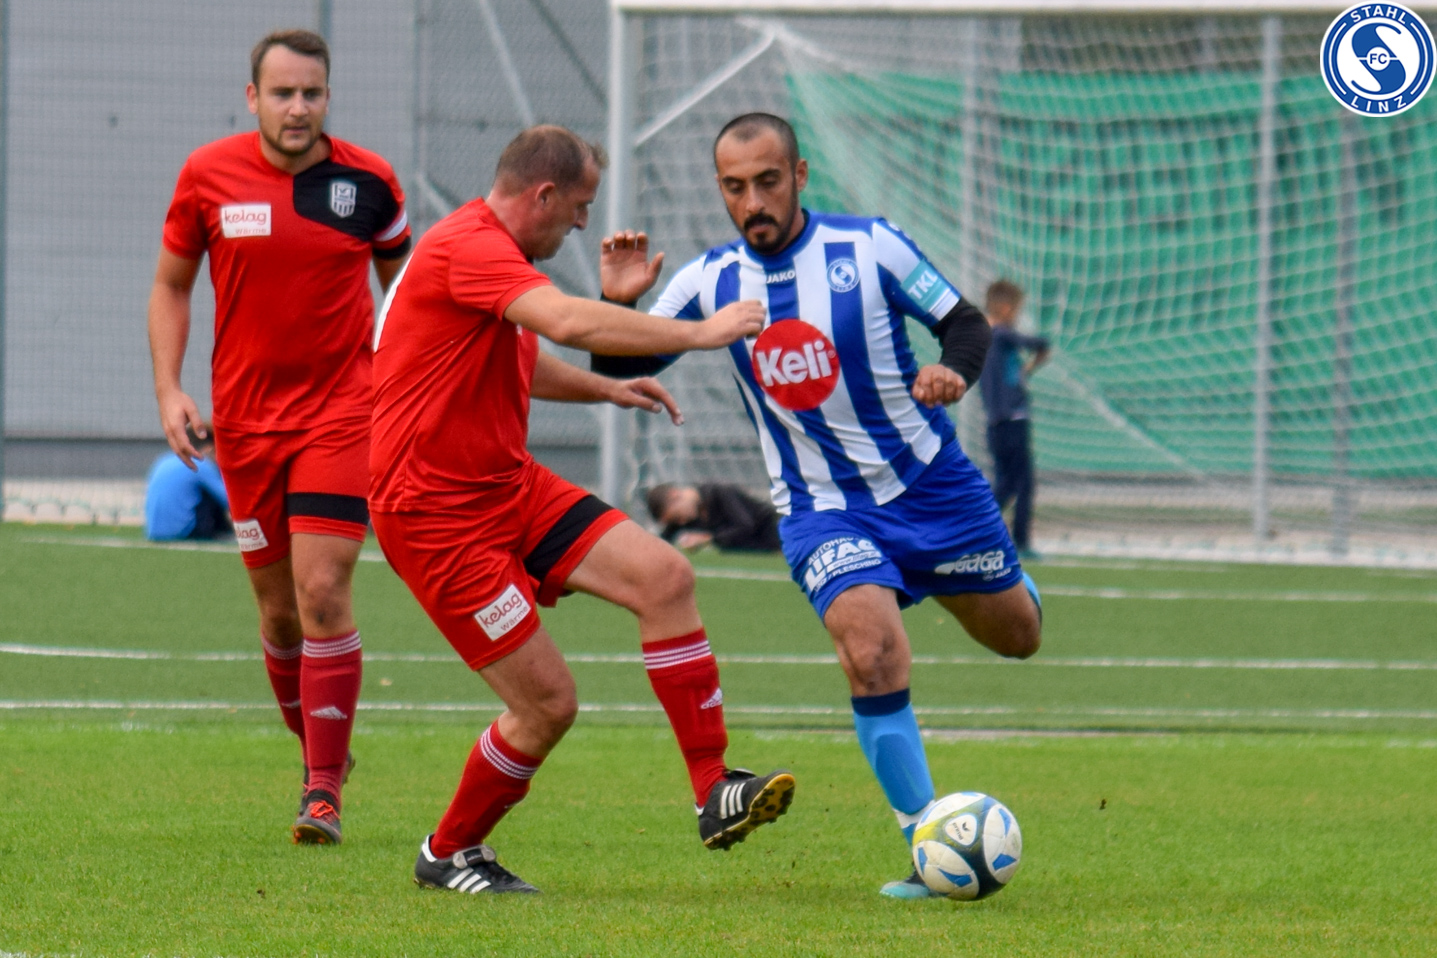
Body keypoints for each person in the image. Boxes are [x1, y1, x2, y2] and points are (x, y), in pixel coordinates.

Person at [592, 113, 1043, 898]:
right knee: (870, 651)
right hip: (820, 509)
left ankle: (980, 579)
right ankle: (924, 845)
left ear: (799, 176)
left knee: (1018, 638)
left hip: (931, 486)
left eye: (767, 182)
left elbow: (964, 324)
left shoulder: (870, 247)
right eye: (735, 187)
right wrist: (617, 306)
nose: (752, 202)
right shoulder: (707, 282)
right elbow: (617, 362)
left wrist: (952, 373)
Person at [369, 125, 794, 895]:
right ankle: (448, 852)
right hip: (434, 516)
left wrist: (607, 387)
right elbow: (565, 320)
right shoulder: (469, 245)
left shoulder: (492, 258)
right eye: (578, 207)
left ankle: (713, 788)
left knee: (664, 577)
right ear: (543, 194)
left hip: (505, 486)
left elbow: (526, 357)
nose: (581, 223)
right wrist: (701, 332)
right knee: (546, 706)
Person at [148, 30, 411, 845]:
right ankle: (321, 754)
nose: (298, 108)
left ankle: (322, 792)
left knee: (322, 591)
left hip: (342, 416)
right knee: (278, 615)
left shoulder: (370, 183)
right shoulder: (207, 175)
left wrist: (403, 396)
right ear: (252, 97)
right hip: (245, 426)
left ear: (328, 97)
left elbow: (408, 299)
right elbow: (170, 285)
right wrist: (169, 388)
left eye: (312, 93)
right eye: (283, 93)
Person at [978, 280, 1050, 560]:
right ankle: (1014, 539)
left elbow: (1015, 376)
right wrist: (1042, 348)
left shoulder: (989, 340)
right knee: (1019, 483)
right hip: (1011, 420)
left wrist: (1031, 366)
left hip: (998, 422)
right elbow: (1036, 343)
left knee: (1007, 482)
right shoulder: (1000, 335)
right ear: (1007, 309)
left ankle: (982, 534)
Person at [145, 424, 232, 541]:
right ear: (209, 449)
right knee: (210, 491)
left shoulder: (163, 460)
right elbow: (228, 500)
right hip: (185, 532)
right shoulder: (200, 463)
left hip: (155, 533)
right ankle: (221, 532)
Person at [645, 482, 781, 552]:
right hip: (751, 553)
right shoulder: (688, 516)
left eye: (677, 516)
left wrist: (707, 539)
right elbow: (663, 539)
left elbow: (746, 526)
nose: (682, 522)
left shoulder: (720, 492)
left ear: (674, 494)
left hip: (774, 541)